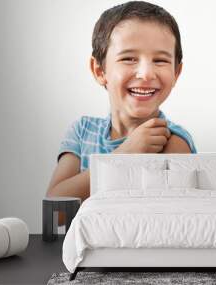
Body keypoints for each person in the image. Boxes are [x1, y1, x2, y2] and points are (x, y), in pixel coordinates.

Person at [46, 1, 197, 223]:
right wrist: (125, 154)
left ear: (176, 72)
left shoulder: (173, 141)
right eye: (128, 58)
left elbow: (161, 222)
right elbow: (55, 211)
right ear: (100, 70)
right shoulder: (82, 131)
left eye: (160, 60)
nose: (146, 73)